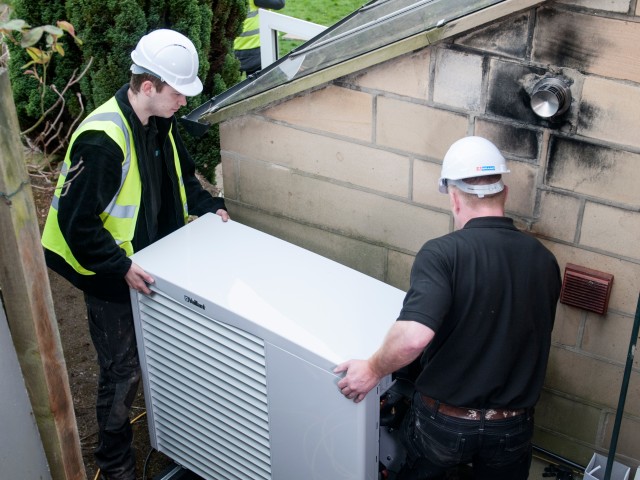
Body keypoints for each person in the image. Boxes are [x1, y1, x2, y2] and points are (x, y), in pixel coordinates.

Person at [41, 29, 229, 480]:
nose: (183, 102)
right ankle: (115, 461)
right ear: (149, 86)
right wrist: (121, 266)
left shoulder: (159, 121)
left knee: (161, 351)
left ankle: (179, 432)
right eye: (178, 94)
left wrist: (211, 209)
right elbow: (77, 224)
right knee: (121, 370)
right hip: (104, 269)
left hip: (151, 256)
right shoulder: (103, 140)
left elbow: (182, 178)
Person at [334, 136, 561, 480]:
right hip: (512, 428)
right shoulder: (545, 261)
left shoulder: (443, 254)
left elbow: (413, 337)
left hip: (445, 424)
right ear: (505, 194)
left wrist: (372, 369)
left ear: (454, 198)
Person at [234, 0, 285, 76]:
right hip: (256, 48)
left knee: (232, 84)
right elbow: (279, 3)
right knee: (262, 84)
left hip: (233, 46)